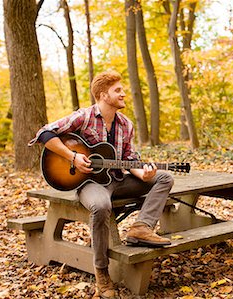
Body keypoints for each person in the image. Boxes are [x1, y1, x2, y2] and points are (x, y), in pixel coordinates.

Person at [28, 70, 174, 298]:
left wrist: (143, 174)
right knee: (101, 206)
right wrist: (72, 156)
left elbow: (130, 159)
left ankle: (141, 228)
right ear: (104, 95)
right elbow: (44, 133)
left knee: (165, 177)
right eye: (118, 90)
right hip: (89, 183)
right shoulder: (84, 117)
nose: (124, 94)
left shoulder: (126, 124)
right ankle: (102, 273)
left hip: (118, 179)